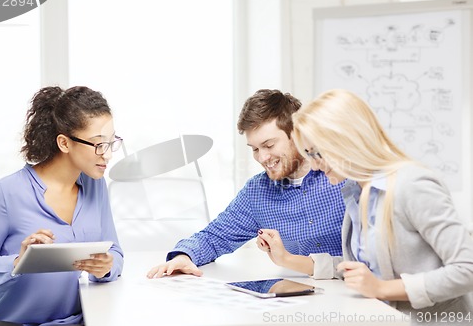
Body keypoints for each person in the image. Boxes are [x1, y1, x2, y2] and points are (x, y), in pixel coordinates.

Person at [285, 88, 473, 317]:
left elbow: (467, 269)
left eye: (316, 153)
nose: (314, 166)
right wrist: (289, 260)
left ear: (346, 140)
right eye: (308, 156)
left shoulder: (411, 185)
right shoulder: (357, 192)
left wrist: (382, 289)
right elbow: (370, 268)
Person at [147, 89, 346, 279]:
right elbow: (215, 236)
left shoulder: (341, 175)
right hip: (303, 295)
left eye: (269, 145)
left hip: (357, 293)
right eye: (255, 149)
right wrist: (184, 257)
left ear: (297, 135)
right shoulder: (258, 191)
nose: (263, 157)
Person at [0, 86, 124, 325]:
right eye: (98, 144)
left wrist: (106, 267)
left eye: (111, 142)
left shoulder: (96, 186)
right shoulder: (6, 193)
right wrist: (17, 262)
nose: (107, 155)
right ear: (64, 143)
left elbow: (114, 252)